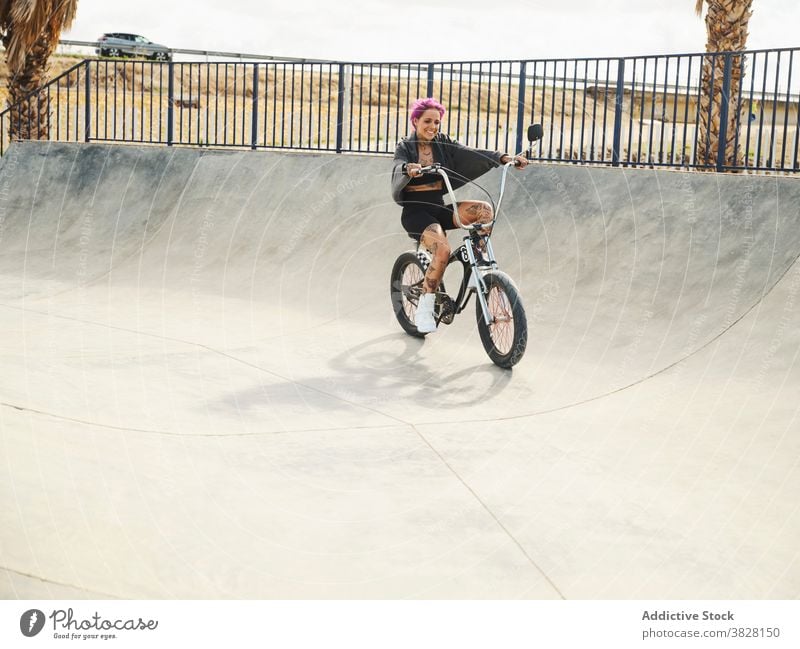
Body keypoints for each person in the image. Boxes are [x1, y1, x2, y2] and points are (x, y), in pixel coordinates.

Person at [391, 97, 528, 333]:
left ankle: (479, 262)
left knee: (484, 210)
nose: (433, 126)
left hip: (440, 208)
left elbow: (469, 153)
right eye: (427, 121)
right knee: (442, 250)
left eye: (437, 122)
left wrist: (503, 158)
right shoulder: (406, 146)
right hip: (416, 212)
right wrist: (408, 169)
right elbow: (399, 164)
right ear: (415, 121)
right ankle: (425, 307)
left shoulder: (443, 143)